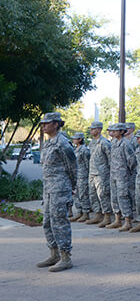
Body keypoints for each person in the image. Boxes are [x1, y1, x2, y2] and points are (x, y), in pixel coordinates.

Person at [37, 112, 77, 272]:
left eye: (47, 123)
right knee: (47, 222)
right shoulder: (48, 143)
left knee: (60, 222)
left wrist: (71, 187)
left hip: (60, 189)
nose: (44, 126)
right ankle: (54, 254)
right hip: (48, 189)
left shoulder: (63, 143)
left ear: (56, 124)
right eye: (43, 124)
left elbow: (73, 168)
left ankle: (66, 257)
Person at [106, 123, 137, 232]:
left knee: (123, 196)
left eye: (115, 131)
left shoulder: (126, 144)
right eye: (112, 131)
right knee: (114, 197)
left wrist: (128, 172)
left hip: (123, 175)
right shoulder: (113, 142)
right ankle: (117, 219)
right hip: (113, 173)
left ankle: (128, 220)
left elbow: (132, 161)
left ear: (121, 132)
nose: (112, 133)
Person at [85, 121, 113, 227]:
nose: (91, 131)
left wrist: (108, 173)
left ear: (99, 129)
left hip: (101, 173)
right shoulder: (92, 143)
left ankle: (107, 216)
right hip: (92, 172)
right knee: (92, 195)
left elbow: (110, 159)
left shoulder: (104, 143)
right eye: (91, 129)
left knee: (103, 195)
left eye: (93, 129)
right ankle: (98, 215)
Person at [70, 132, 90, 223]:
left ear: (80, 139)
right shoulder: (75, 149)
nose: (73, 140)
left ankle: (85, 213)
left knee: (83, 194)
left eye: (75, 138)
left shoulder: (84, 150)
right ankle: (79, 212)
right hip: (76, 175)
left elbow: (87, 164)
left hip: (83, 175)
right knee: (76, 194)